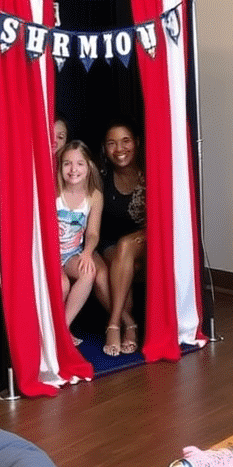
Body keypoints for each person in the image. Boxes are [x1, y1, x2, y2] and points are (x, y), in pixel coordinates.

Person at [95, 121, 146, 356]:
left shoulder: (150, 172)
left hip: (145, 239)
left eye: (125, 141)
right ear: (104, 148)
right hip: (110, 243)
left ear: (136, 142)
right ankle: (130, 325)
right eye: (111, 143)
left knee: (127, 246)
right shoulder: (101, 177)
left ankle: (113, 324)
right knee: (123, 263)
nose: (119, 149)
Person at [56, 140, 103, 335]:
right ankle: (51, 332)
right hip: (50, 255)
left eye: (80, 163)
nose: (73, 169)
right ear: (60, 167)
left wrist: (87, 253)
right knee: (63, 285)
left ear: (89, 167)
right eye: (67, 163)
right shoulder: (54, 193)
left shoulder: (94, 196)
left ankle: (63, 329)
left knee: (88, 271)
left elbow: (92, 233)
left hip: (72, 253)